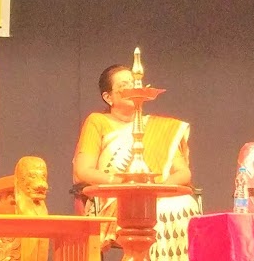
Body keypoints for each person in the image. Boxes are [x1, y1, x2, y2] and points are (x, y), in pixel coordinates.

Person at [73, 64, 200, 261]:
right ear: (108, 97)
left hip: (157, 196)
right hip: (116, 198)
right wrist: (121, 183)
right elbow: (83, 170)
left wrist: (156, 191)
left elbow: (183, 173)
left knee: (184, 203)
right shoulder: (98, 122)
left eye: (134, 83)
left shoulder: (158, 128)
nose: (132, 88)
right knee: (156, 212)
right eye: (124, 85)